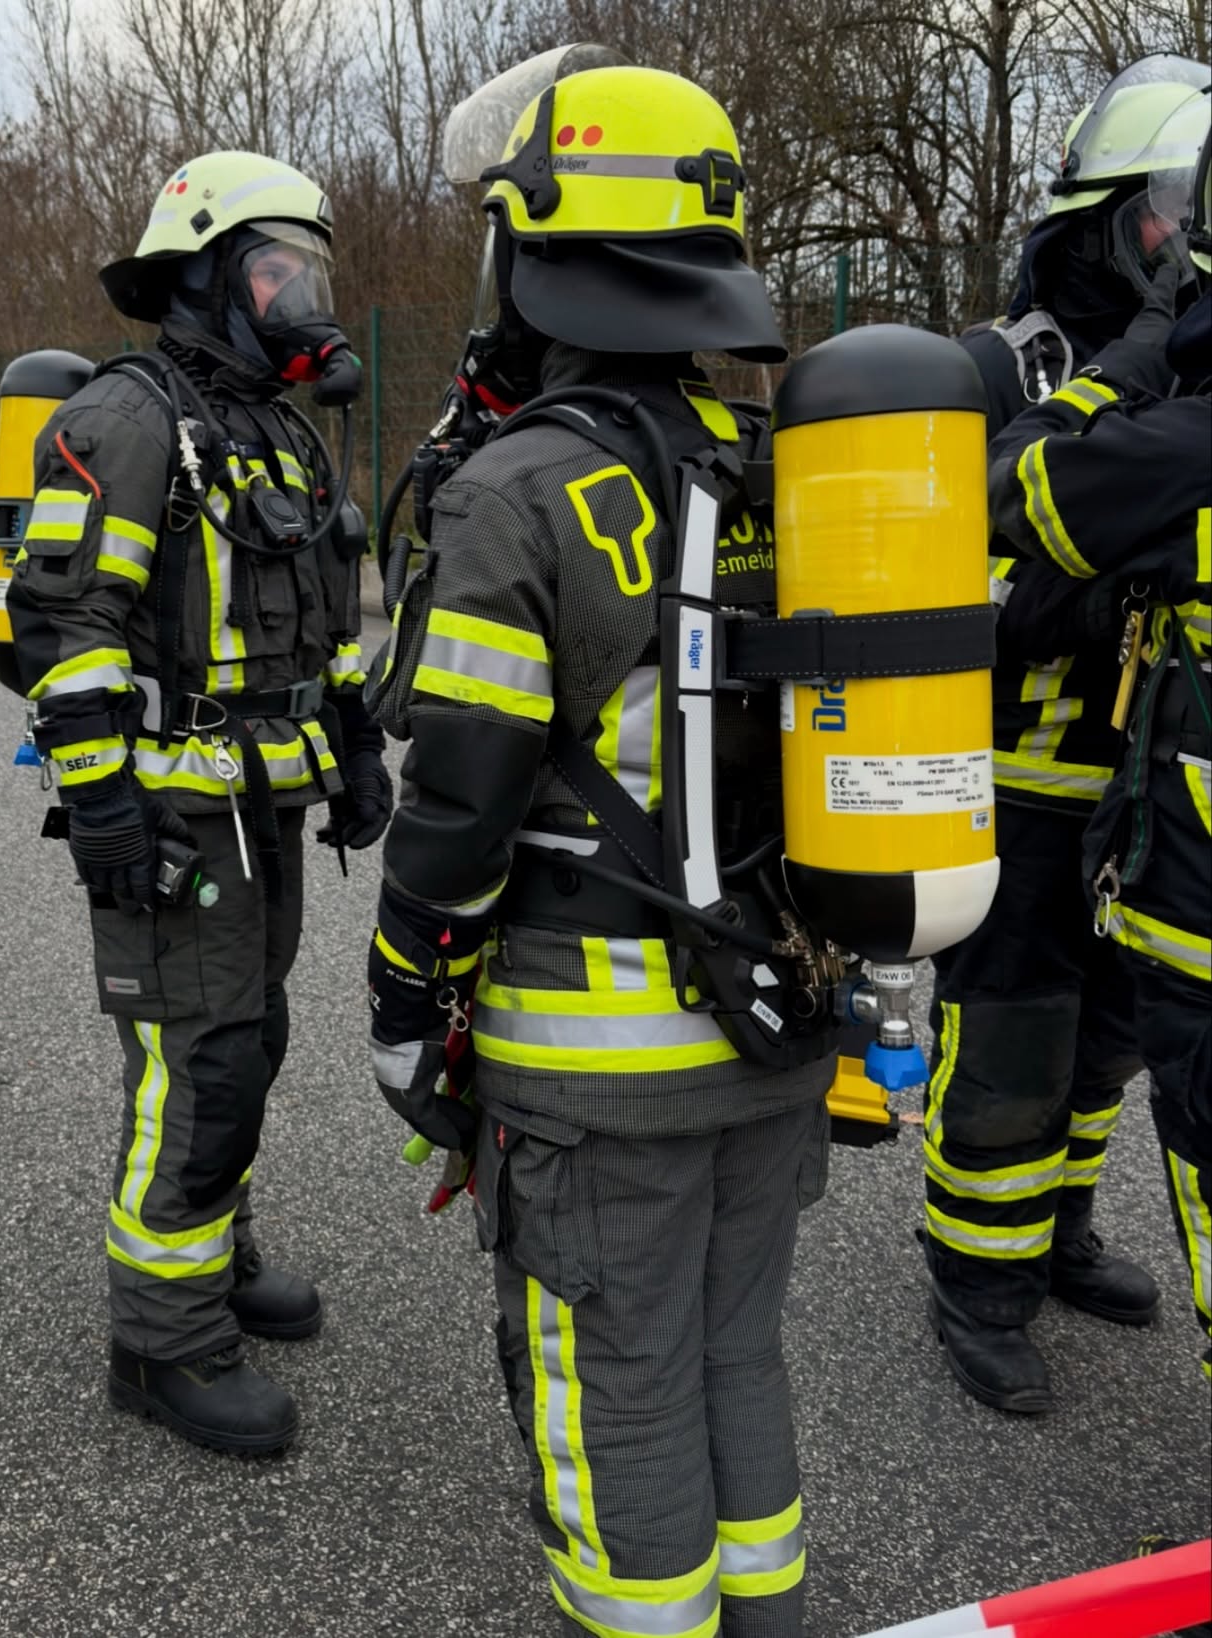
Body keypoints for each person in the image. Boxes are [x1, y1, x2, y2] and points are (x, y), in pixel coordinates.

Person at [367, 63, 833, 1638]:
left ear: (542, 251)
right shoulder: (776, 465)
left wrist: (402, 995)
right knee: (732, 1353)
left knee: (615, 1390)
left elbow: (459, 803)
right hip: (773, 1026)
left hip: (593, 1073)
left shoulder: (518, 490)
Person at [7, 151, 389, 1455]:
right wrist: (103, 805)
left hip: (262, 807)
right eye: (278, 270)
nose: (302, 295)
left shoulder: (280, 430)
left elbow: (330, 619)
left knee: (250, 1039)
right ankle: (160, 1340)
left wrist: (355, 745)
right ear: (207, 276)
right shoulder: (127, 420)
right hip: (171, 816)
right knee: (197, 1061)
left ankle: (211, 1253)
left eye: (309, 270)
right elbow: (65, 624)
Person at [922, 54, 1209, 1413]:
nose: (1175, 241)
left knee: (1112, 1035)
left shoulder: (1181, 377)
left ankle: (1058, 1229)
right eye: (1158, 213)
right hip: (1021, 772)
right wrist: (1074, 590)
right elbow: (937, 566)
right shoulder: (999, 367)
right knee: (1013, 1032)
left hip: (1143, 785)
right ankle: (977, 1277)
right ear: (1097, 222)